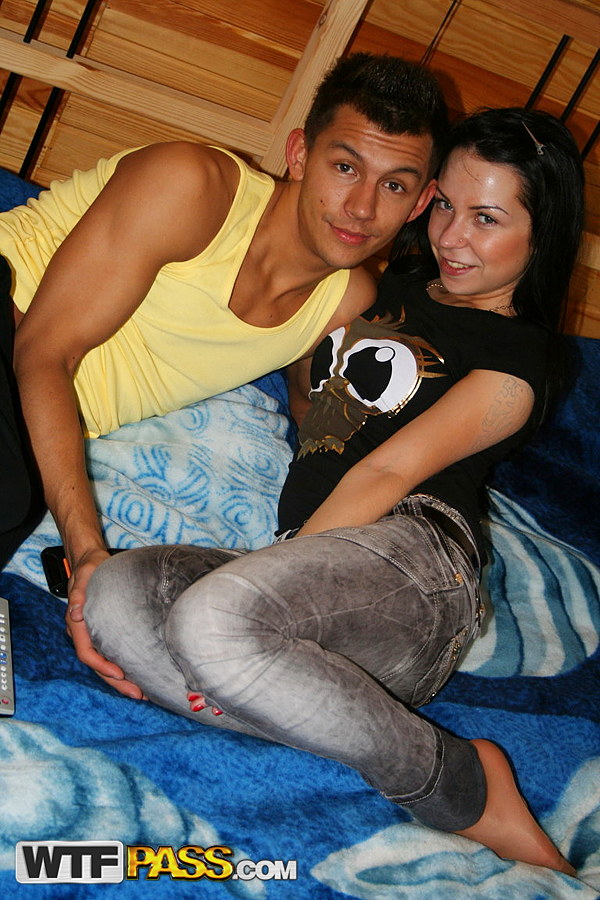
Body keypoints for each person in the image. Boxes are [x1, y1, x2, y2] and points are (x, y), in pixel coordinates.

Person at [83, 106, 583, 872]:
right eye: (445, 205)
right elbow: (314, 380)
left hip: (416, 570)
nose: (452, 237)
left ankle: (461, 782)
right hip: (311, 575)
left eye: (487, 219)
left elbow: (387, 471)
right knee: (117, 595)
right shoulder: (398, 283)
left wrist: (265, 576)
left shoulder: (521, 359)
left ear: (541, 235)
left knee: (210, 624)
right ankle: (283, 690)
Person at [0, 53, 447, 665]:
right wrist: (86, 551)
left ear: (420, 203)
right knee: (10, 495)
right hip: (11, 320)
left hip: (21, 422)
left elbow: (319, 427)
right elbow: (43, 351)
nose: (362, 207)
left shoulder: (347, 303)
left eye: (394, 185)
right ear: (299, 154)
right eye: (345, 167)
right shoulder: (193, 186)